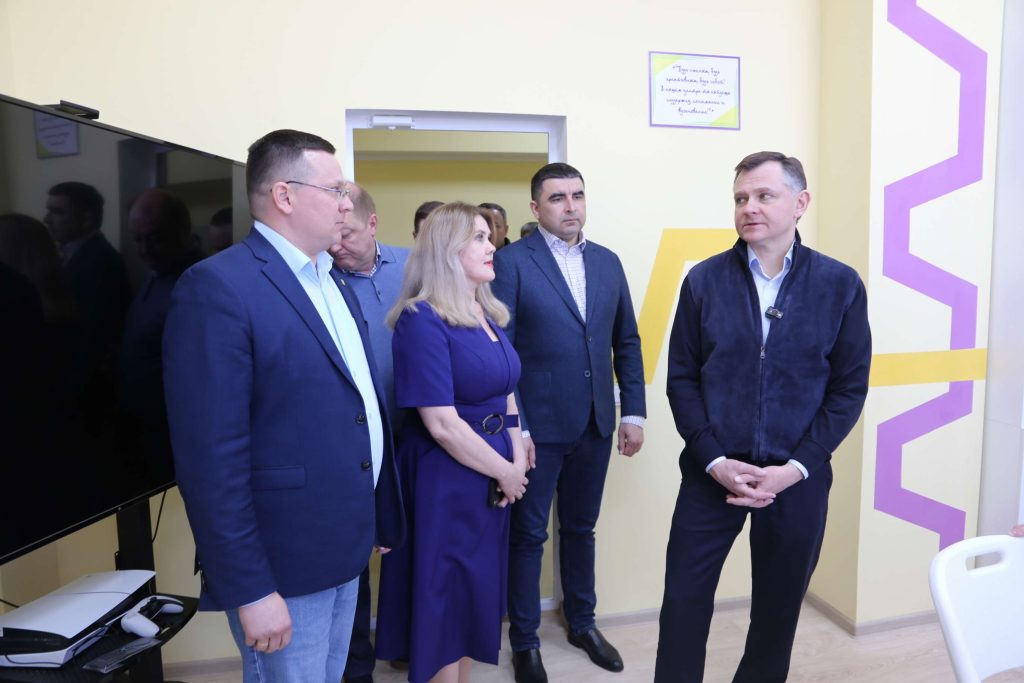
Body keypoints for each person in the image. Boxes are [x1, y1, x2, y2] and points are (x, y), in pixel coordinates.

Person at [163, 129, 405, 683]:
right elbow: (210, 460)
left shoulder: (331, 280)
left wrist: (377, 512)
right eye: (335, 190)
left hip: (344, 544)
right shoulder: (218, 288)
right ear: (285, 196)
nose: (346, 203)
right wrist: (249, 588)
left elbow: (357, 407)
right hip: (283, 563)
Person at [654, 151, 871, 682]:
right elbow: (682, 379)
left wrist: (795, 468)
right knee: (682, 603)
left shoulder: (840, 284)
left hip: (795, 478)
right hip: (712, 472)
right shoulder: (703, 281)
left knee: (777, 612)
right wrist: (713, 459)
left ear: (800, 203)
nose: (748, 207)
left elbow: (847, 389)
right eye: (740, 198)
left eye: (763, 195)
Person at [492, 163, 646, 682]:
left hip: (596, 422)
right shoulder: (512, 262)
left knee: (581, 529)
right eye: (557, 198)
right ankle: (526, 642)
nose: (570, 206)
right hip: (538, 429)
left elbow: (626, 341)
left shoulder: (607, 262)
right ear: (536, 208)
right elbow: (502, 353)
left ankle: (582, 623)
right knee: (528, 536)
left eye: (577, 195)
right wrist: (519, 429)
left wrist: (633, 412)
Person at [375, 202, 529, 683]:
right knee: (444, 598)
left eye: (489, 235)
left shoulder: (486, 313)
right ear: (446, 250)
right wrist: (505, 471)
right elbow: (441, 424)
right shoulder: (421, 319)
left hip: (490, 476)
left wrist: (517, 452)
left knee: (469, 595)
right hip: (446, 479)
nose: (492, 245)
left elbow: (506, 392)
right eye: (478, 237)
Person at [328, 183, 410, 683]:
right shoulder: (321, 278)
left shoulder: (413, 266)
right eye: (331, 235)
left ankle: (408, 643)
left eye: (348, 234)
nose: (337, 245)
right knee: (357, 555)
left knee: (412, 547)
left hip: (418, 434)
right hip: (359, 443)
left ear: (373, 224)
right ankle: (357, 664)